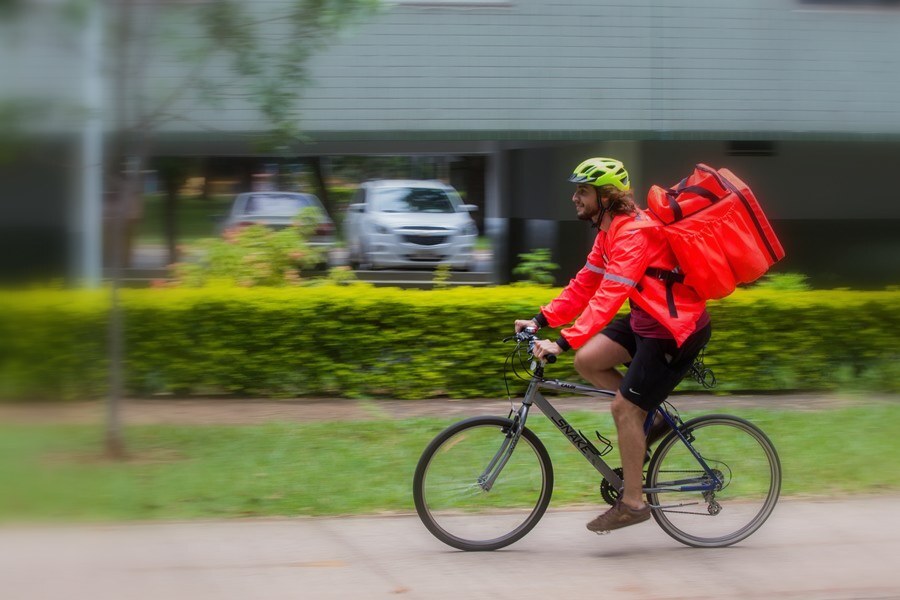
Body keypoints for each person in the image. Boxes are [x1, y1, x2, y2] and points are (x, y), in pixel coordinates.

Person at [514, 157, 712, 533]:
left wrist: (563, 341)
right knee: (588, 361)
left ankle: (634, 503)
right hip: (646, 319)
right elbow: (585, 284)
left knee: (624, 408)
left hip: (674, 329)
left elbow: (610, 295)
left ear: (605, 196)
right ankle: (649, 419)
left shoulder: (635, 233)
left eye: (582, 191)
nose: (575, 198)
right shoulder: (609, 232)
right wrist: (541, 319)